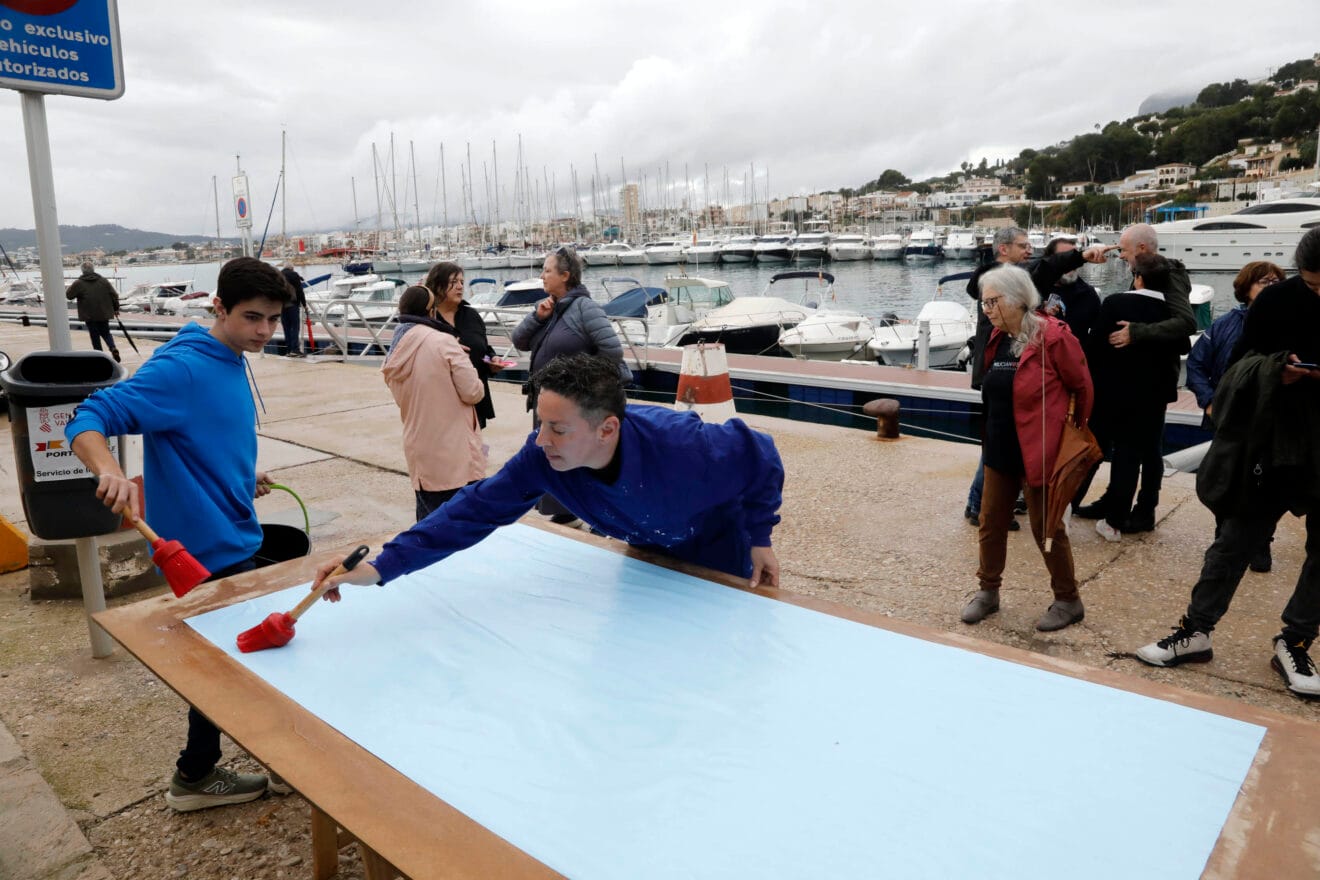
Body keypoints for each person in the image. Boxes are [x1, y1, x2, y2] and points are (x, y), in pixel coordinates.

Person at [67, 256, 293, 811]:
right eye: (252, 317)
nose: (264, 330)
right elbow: (86, 416)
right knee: (234, 661)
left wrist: (242, 475)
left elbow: (205, 434)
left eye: (272, 318)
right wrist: (110, 471)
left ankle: (216, 768)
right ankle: (199, 775)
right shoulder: (185, 369)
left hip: (232, 524)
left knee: (231, 657)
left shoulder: (230, 354)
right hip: (206, 547)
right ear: (218, 307)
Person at [310, 353, 783, 600]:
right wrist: (379, 568)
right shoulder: (543, 458)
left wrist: (760, 535)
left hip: (718, 548)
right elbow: (470, 512)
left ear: (607, 428)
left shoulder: (681, 444)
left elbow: (761, 455)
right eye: (540, 424)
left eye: (557, 428)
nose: (541, 440)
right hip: (646, 550)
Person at [1134, 228, 1320, 699]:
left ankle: (1295, 640)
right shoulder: (1275, 303)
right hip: (1274, 440)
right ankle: (1196, 631)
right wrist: (1276, 372)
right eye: (1314, 284)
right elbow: (1237, 368)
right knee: (1234, 541)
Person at [960, 265, 1094, 633]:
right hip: (1000, 447)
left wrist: (1072, 435)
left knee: (1046, 529)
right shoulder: (995, 338)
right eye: (983, 302)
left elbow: (1082, 387)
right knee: (990, 524)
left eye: (992, 301)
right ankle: (988, 592)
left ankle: (1068, 599)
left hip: (1041, 450)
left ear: (1018, 299)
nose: (986, 309)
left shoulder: (1052, 337)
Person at [963, 228, 1108, 527]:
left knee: (1003, 437)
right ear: (1004, 249)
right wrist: (1080, 255)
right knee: (998, 439)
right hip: (1000, 370)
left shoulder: (997, 279)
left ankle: (993, 502)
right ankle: (980, 504)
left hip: (1003, 371)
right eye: (1023, 246)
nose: (1029, 250)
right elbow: (1044, 267)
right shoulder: (998, 279)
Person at [1073, 222, 1197, 520]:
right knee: (1134, 447)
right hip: (1142, 383)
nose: (1122, 256)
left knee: (1149, 448)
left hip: (1151, 383)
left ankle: (1144, 511)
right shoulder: (1148, 274)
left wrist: (1136, 333)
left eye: (1125, 250)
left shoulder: (1169, 275)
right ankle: (1114, 503)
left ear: (1142, 249)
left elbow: (1186, 324)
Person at [511, 246, 629, 526]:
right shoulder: (550, 307)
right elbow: (519, 340)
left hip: (572, 406)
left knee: (567, 458)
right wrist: (536, 317)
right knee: (550, 457)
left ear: (565, 275)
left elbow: (613, 351)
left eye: (547, 270)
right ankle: (563, 513)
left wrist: (582, 386)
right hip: (548, 404)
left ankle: (573, 515)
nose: (542, 276)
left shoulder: (585, 308)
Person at [1184, 260, 1284, 573]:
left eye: (1276, 281)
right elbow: (1197, 366)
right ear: (1247, 287)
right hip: (1228, 419)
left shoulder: (1290, 324)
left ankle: (1260, 543)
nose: (1272, 287)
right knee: (1224, 478)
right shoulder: (1224, 324)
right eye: (1265, 282)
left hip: (1271, 419)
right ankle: (1223, 537)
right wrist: (1209, 402)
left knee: (1266, 482)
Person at [384, 285, 487, 521]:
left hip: (420, 451)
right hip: (454, 453)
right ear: (430, 311)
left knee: (427, 527)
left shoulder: (397, 350)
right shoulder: (445, 342)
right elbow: (473, 392)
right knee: (460, 526)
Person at [423, 261, 503, 429]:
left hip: (475, 399)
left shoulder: (472, 316)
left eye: (461, 282)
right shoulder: (428, 320)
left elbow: (483, 348)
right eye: (453, 282)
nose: (460, 287)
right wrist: (449, 351)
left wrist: (492, 360)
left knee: (475, 452)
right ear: (437, 285)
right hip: (443, 401)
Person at [1040, 236, 1101, 344]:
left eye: (1074, 258)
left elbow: (1098, 333)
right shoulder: (1034, 291)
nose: (1071, 263)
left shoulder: (1088, 293)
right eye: (1066, 258)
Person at [65, 261, 121, 362]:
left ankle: (100, 357)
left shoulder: (79, 283)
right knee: (106, 332)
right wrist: (116, 308)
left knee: (94, 336)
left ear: (82, 271)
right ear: (93, 269)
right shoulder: (104, 281)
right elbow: (114, 295)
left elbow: (69, 296)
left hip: (89, 314)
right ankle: (112, 348)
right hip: (104, 313)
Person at [279, 264, 308, 357]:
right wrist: (304, 304)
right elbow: (300, 291)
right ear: (292, 268)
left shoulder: (279, 275)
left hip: (282, 306)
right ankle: (295, 349)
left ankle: (288, 350)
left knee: (286, 328)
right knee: (295, 327)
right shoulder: (294, 275)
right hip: (292, 305)